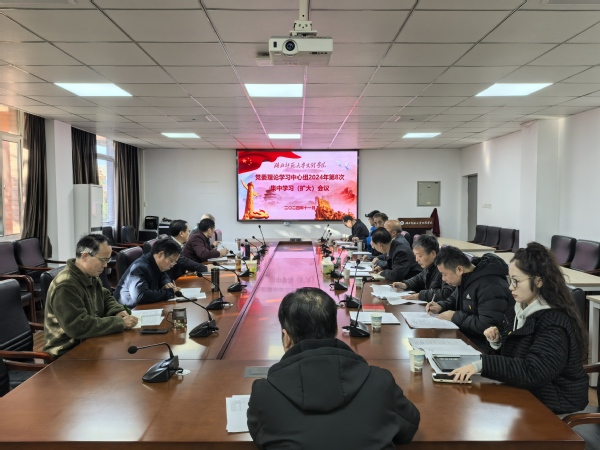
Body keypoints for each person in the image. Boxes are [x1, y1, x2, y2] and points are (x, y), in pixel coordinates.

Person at [247, 287, 420, 449]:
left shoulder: (265, 393)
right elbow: (409, 428)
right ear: (336, 331)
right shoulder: (380, 382)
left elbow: (260, 436)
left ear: (286, 338)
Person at [450, 243, 589, 414]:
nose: (510, 287)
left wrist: (482, 364)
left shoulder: (554, 322)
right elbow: (517, 356)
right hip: (529, 391)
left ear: (539, 281)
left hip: (555, 403)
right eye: (510, 280)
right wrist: (497, 342)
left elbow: (534, 371)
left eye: (516, 281)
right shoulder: (518, 310)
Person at [44, 234, 138, 357]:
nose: (106, 265)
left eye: (108, 260)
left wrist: (117, 311)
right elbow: (78, 327)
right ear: (85, 256)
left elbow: (105, 296)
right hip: (67, 353)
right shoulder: (66, 285)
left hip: (90, 341)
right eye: (103, 260)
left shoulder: (90, 275)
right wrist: (120, 323)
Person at [426, 246, 513, 352]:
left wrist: (455, 316)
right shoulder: (467, 277)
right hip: (468, 338)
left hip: (484, 347)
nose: (443, 279)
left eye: (444, 274)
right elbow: (454, 298)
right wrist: (441, 306)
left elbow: (487, 325)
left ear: (459, 269)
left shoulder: (490, 286)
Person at [115, 238, 182, 308]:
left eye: (175, 262)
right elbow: (141, 296)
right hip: (129, 310)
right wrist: (169, 293)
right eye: (171, 261)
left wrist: (165, 282)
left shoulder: (155, 262)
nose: (172, 265)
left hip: (144, 306)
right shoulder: (141, 267)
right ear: (161, 254)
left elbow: (163, 274)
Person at [392, 234, 453, 302]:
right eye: (415, 256)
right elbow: (419, 278)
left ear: (433, 253)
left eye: (420, 256)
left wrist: (420, 295)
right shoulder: (429, 266)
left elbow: (446, 293)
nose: (417, 260)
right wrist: (405, 284)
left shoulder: (444, 269)